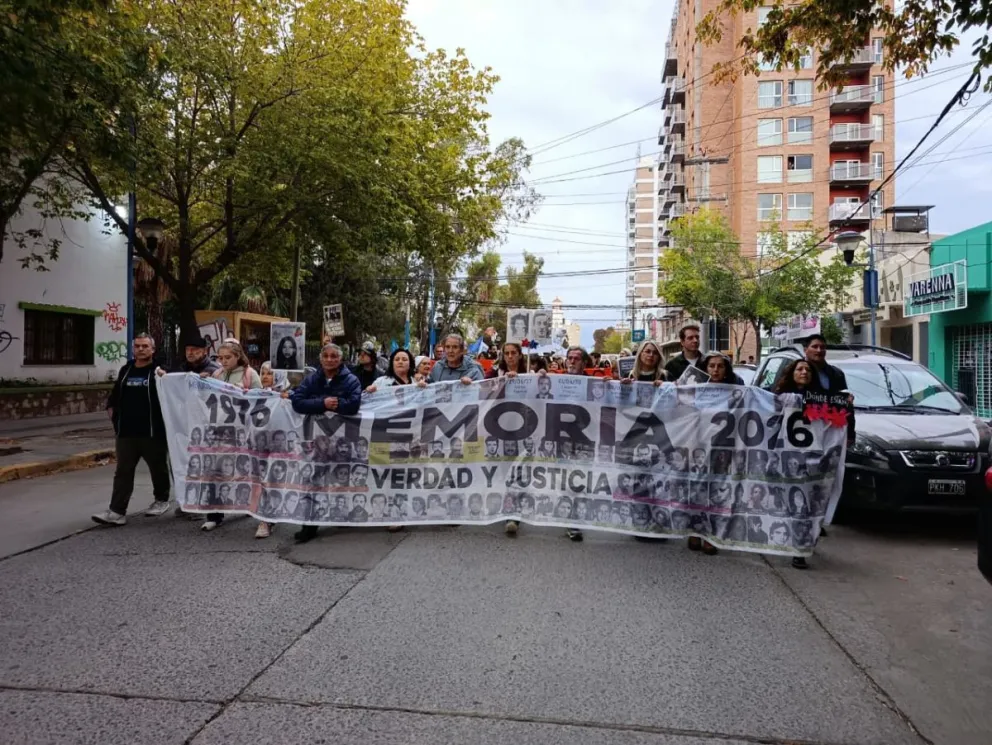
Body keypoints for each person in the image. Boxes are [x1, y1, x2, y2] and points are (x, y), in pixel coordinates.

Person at [92, 334, 172, 526]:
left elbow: (172, 390)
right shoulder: (126, 369)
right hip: (126, 431)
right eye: (137, 346)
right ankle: (117, 511)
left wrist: (166, 377)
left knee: (158, 468)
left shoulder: (159, 370)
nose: (141, 349)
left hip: (152, 431)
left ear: (153, 349)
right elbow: (116, 394)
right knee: (123, 471)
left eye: (145, 346)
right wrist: (113, 413)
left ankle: (161, 500)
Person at [289, 343, 363, 543]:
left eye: (334, 356)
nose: (330, 360)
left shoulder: (351, 380)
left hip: (342, 440)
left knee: (341, 479)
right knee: (314, 479)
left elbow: (354, 404)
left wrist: (335, 404)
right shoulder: (312, 379)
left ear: (340, 359)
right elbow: (297, 401)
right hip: (317, 440)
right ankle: (309, 524)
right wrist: (322, 404)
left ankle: (341, 516)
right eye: (326, 356)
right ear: (321, 359)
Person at [198, 340, 262, 531]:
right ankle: (214, 514)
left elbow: (261, 401)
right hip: (219, 432)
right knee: (214, 472)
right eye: (220, 357)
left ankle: (256, 509)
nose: (224, 361)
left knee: (248, 472)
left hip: (243, 433)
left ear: (238, 356)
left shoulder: (250, 374)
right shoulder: (216, 374)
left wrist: (247, 395)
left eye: (228, 357)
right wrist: (202, 383)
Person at [546, 346, 593, 542]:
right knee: (565, 481)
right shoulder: (556, 382)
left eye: (576, 358)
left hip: (584, 442)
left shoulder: (595, 384)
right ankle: (571, 521)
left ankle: (576, 518)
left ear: (584, 362)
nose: (572, 361)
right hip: (562, 442)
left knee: (580, 481)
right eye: (569, 358)